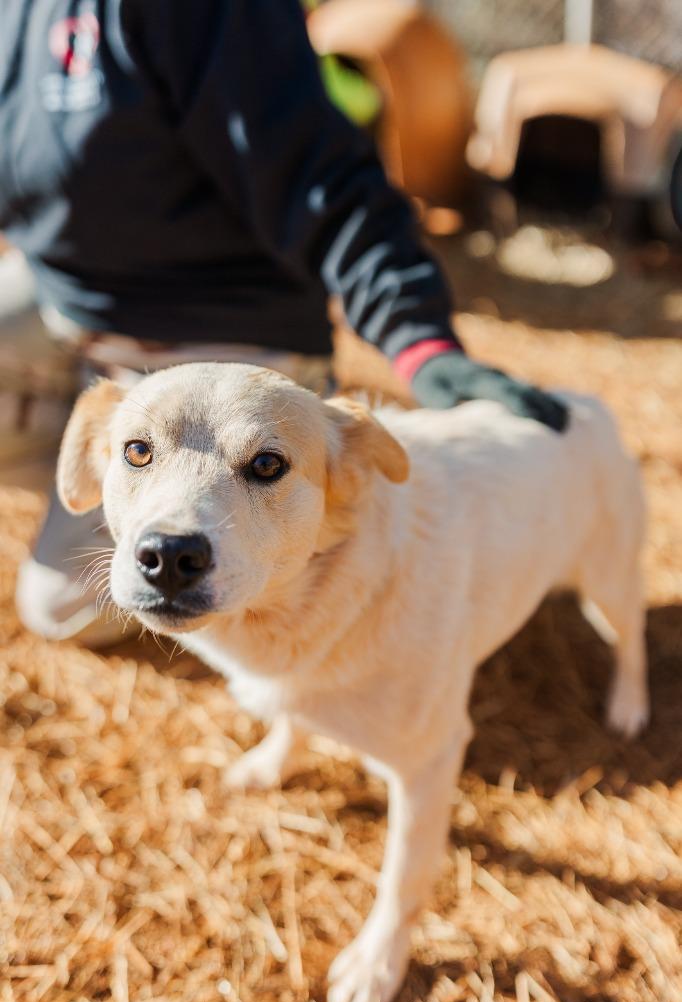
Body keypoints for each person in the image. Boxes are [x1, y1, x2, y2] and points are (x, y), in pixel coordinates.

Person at [0, 0, 567, 645]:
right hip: (65, 290)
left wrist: (421, 342)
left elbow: (318, 171)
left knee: (58, 606)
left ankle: (195, 458)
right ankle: (132, 453)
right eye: (136, 451)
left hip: (222, 313)